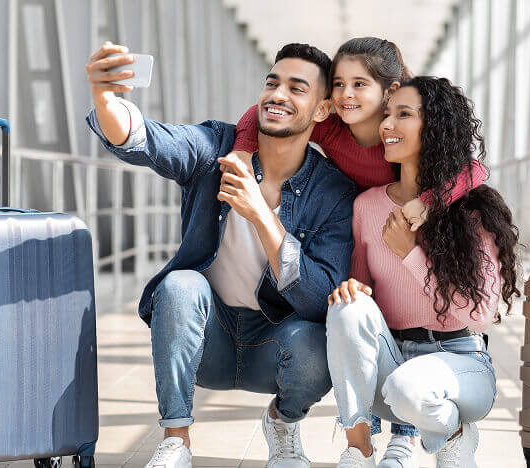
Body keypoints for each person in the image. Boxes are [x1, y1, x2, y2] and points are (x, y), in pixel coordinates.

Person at [85, 41, 356, 468]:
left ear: (322, 110)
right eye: (272, 83)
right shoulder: (219, 148)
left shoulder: (333, 191)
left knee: (317, 342)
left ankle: (284, 425)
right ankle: (176, 440)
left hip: (276, 341)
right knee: (178, 285)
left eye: (296, 88)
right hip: (207, 339)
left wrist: (261, 215)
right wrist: (104, 98)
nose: (278, 95)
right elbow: (148, 141)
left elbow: (317, 295)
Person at [325, 76, 521, 468]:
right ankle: (359, 450)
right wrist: (350, 289)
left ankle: (454, 431)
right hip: (392, 359)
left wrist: (411, 254)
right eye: (387, 115)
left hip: (459, 361)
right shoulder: (366, 206)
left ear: (434, 128)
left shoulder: (473, 212)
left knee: (407, 389)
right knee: (346, 306)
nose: (387, 126)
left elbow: (480, 315)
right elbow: (364, 289)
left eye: (404, 115)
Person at [232, 37, 487, 230]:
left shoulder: (403, 136)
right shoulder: (328, 128)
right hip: (352, 222)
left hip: (406, 222)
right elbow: (260, 111)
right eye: (339, 84)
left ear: (390, 90)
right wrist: (242, 153)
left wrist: (427, 202)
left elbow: (475, 169)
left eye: (359, 84)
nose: (346, 94)